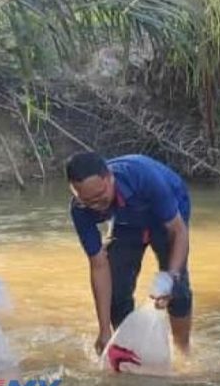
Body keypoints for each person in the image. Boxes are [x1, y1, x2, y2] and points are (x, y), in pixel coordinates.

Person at [66, 152, 193, 364]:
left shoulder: (144, 177)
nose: (97, 205)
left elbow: (179, 231)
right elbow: (98, 265)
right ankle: (130, 349)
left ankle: (183, 351)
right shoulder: (80, 210)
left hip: (168, 216)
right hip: (126, 222)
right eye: (89, 201)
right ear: (76, 194)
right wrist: (104, 328)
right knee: (116, 294)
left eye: (100, 195)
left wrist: (170, 276)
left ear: (109, 177)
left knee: (177, 290)